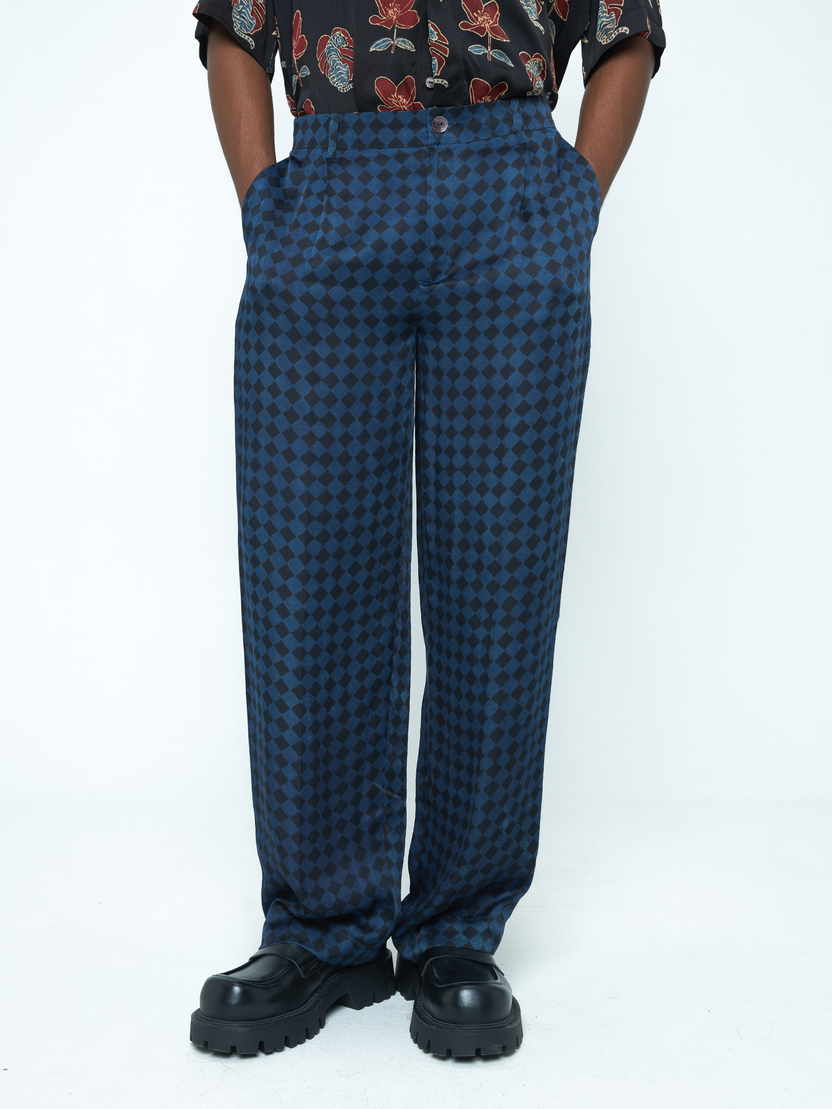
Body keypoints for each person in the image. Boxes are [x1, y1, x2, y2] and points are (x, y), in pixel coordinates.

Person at [188, 0, 665, 1059]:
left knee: (499, 572)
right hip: (330, 189)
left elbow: (625, 28)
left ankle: (457, 929)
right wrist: (265, 202)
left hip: (511, 195)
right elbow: (233, 24)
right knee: (305, 568)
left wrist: (571, 203)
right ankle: (321, 928)